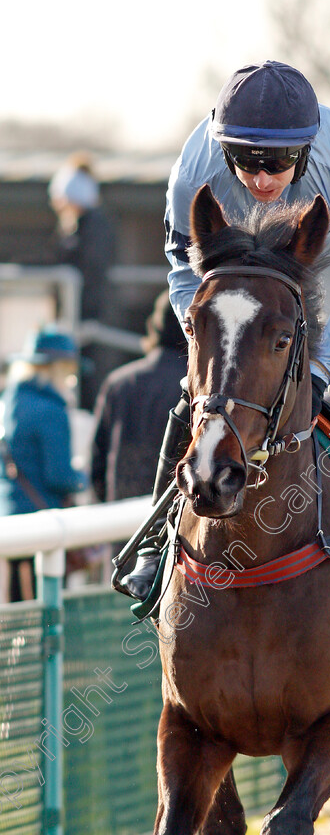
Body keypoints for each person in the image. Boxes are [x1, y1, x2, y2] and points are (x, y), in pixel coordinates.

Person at [122, 60, 330, 607]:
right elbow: (182, 268)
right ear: (221, 144)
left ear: (308, 147)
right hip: (233, 264)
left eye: (279, 161)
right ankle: (154, 544)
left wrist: (321, 371)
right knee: (199, 391)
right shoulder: (193, 167)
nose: (263, 177)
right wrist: (199, 332)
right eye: (246, 160)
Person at [0, 325, 88, 601]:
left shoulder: (9, 401)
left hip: (11, 516)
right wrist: (81, 477)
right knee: (48, 608)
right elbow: (59, 476)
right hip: (45, 522)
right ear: (56, 368)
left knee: (18, 605)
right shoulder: (51, 410)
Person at [91, 290, 188, 510]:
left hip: (119, 519)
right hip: (174, 519)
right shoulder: (197, 387)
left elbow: (97, 464)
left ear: (155, 325)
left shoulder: (118, 382)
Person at [48, 153, 116, 410]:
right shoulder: (78, 227)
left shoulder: (93, 228)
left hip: (90, 315)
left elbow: (90, 272)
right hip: (80, 315)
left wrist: (81, 313)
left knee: (89, 380)